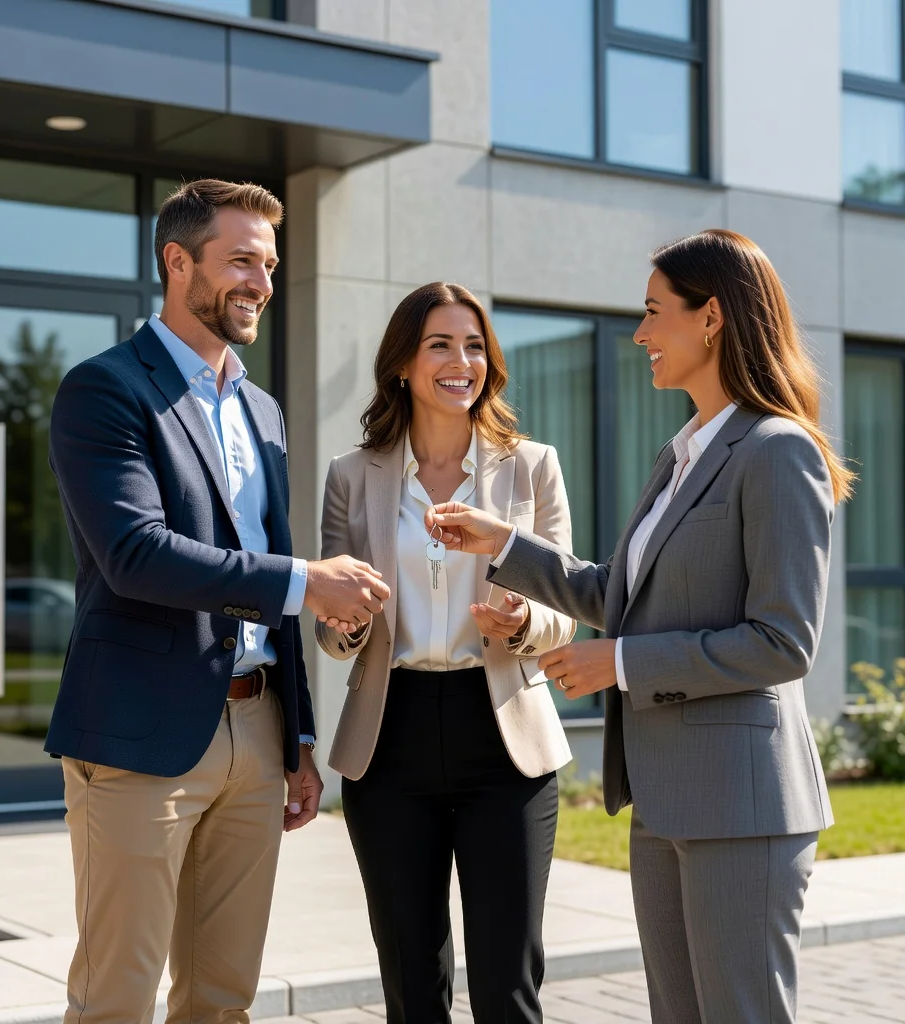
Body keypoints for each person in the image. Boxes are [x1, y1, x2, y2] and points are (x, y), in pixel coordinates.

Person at [427, 230, 854, 1024]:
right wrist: (503, 545)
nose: (641, 334)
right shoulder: (683, 454)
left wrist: (617, 665)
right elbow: (621, 592)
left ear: (713, 317)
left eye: (655, 312)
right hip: (664, 800)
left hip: (743, 807)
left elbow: (784, 641)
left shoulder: (776, 451)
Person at [45, 178, 390, 1024]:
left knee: (223, 1000)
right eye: (241, 260)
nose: (262, 284)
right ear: (177, 261)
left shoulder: (261, 410)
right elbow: (133, 553)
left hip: (258, 725)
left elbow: (263, 569)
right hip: (138, 737)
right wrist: (312, 581)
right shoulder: (105, 390)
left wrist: (298, 737)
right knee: (115, 1001)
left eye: (270, 265)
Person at [315, 282, 575, 1024]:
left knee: (507, 988)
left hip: (504, 739)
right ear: (403, 363)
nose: (461, 361)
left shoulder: (532, 467)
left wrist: (523, 619)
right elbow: (331, 633)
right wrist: (351, 620)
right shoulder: (352, 476)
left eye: (474, 347)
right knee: (411, 985)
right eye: (439, 345)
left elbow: (568, 609)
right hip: (388, 740)